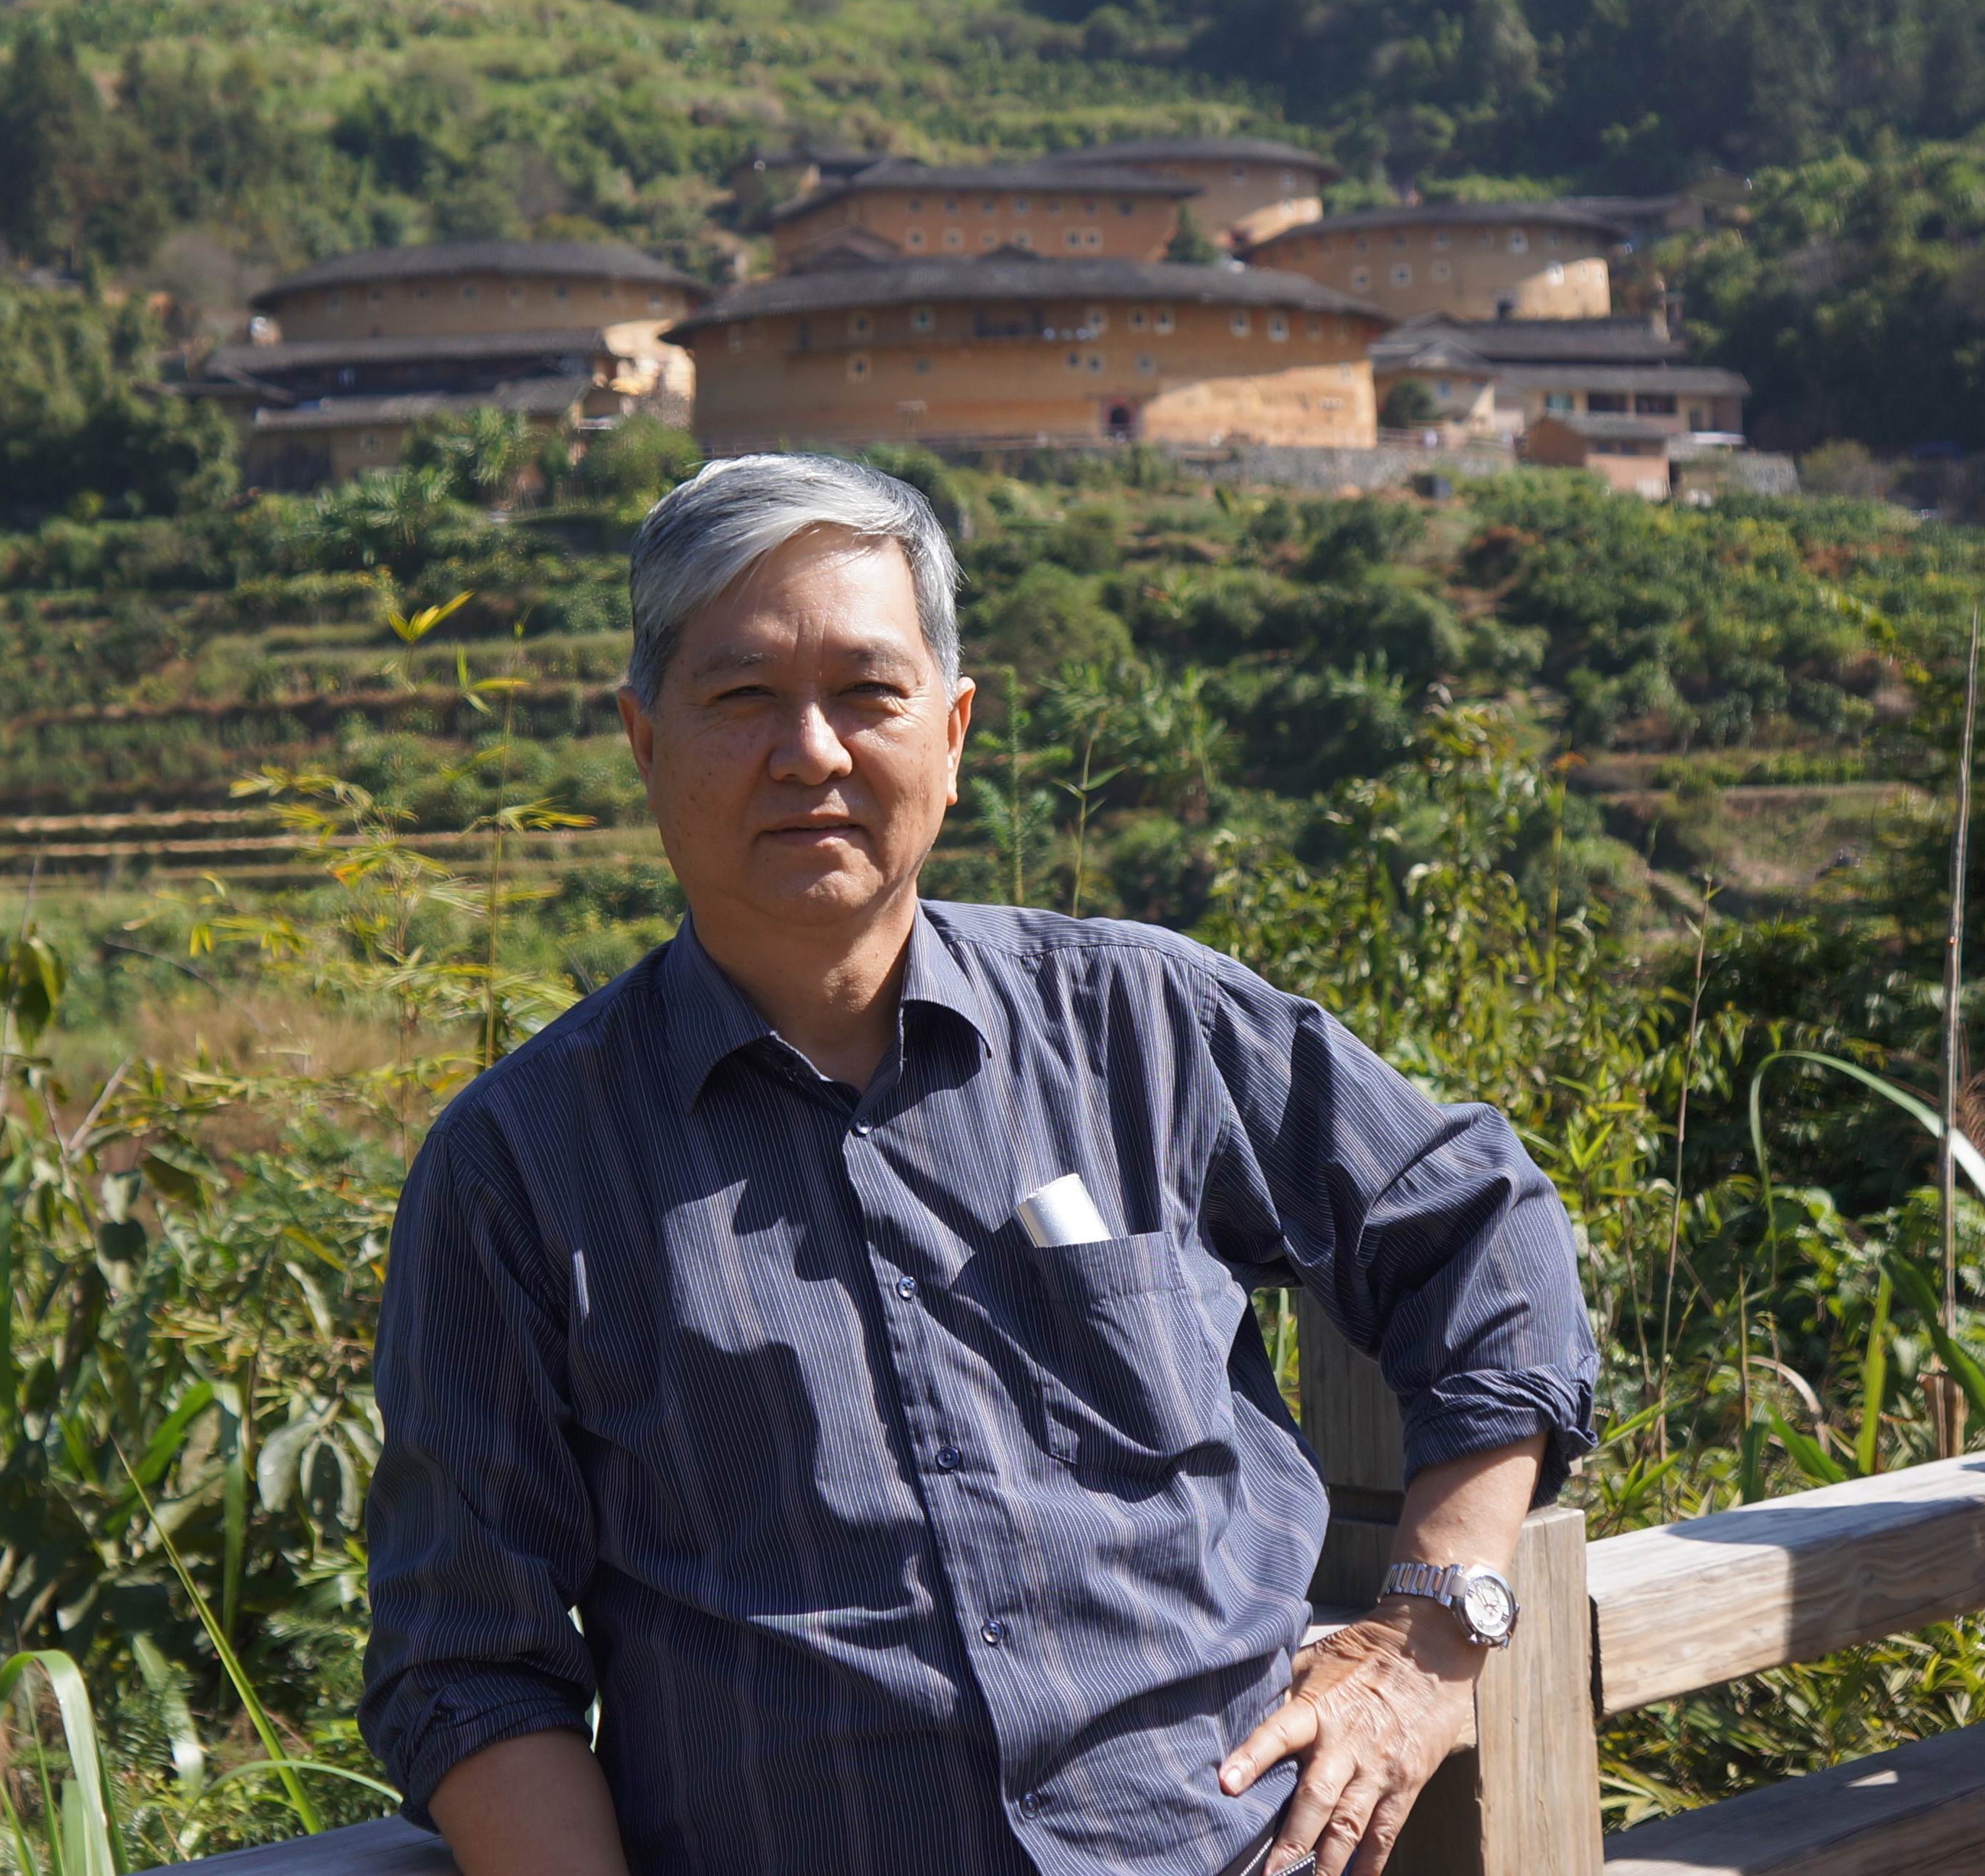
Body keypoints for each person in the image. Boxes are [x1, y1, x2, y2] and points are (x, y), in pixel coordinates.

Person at [358, 454, 1596, 1876]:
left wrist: (1429, 1635)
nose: (809, 753)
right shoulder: (519, 1168)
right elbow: (469, 1661)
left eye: (866, 693)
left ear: (950, 734)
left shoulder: (1145, 1027)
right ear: (643, 739)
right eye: (743, 695)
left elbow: (1477, 1224)